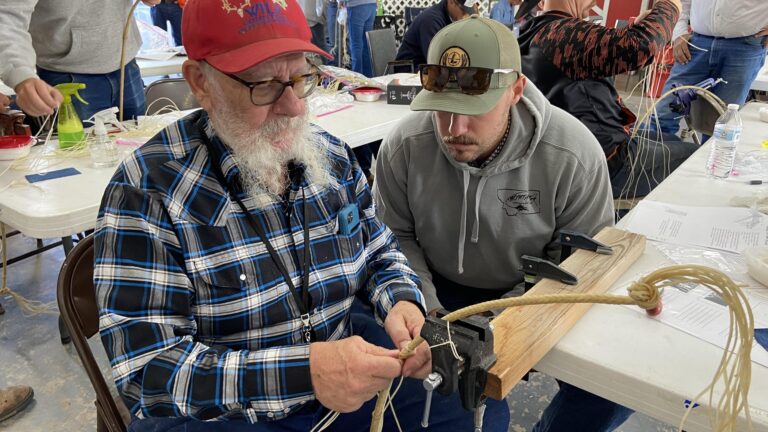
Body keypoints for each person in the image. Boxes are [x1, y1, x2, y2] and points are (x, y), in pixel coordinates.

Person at [94, 0, 509, 430]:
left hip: (343, 372)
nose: (293, 106)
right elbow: (147, 373)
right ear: (201, 82)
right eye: (264, 85)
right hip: (227, 413)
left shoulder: (329, 156)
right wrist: (304, 372)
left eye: (301, 77)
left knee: (479, 410)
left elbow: (377, 248)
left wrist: (401, 298)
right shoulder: (147, 191)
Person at [374, 16, 636, 432]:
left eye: (473, 109)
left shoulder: (573, 154)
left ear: (515, 89)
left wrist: (497, 321)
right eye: (442, 109)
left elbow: (576, 264)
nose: (454, 129)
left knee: (613, 386)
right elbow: (393, 237)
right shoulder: (404, 146)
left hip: (537, 289)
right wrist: (427, 307)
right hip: (433, 286)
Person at [517, 0, 696, 199]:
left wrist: (635, 30)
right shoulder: (564, 34)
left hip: (567, 150)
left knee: (671, 138)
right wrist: (670, 7)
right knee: (695, 157)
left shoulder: (535, 32)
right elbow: (642, 45)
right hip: (605, 163)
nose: (593, 3)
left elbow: (600, 51)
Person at [0, 0, 156, 120]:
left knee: (139, 150)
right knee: (83, 157)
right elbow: (7, 16)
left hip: (125, 63)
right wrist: (20, 72)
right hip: (68, 74)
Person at [651, 0, 768, 136]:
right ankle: (655, 155)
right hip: (695, 44)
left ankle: (711, 157)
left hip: (745, 46)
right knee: (664, 114)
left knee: (721, 124)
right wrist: (678, 33)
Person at [395, 0, 473, 68]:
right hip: (409, 71)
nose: (466, 15)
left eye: (469, 10)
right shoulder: (431, 21)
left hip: (427, 67)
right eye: (463, 10)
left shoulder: (451, 18)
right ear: (451, 1)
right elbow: (436, 60)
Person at [341, 0, 377, 76]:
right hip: (372, 5)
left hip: (356, 6)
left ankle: (357, 79)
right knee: (367, 44)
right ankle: (368, 78)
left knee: (356, 45)